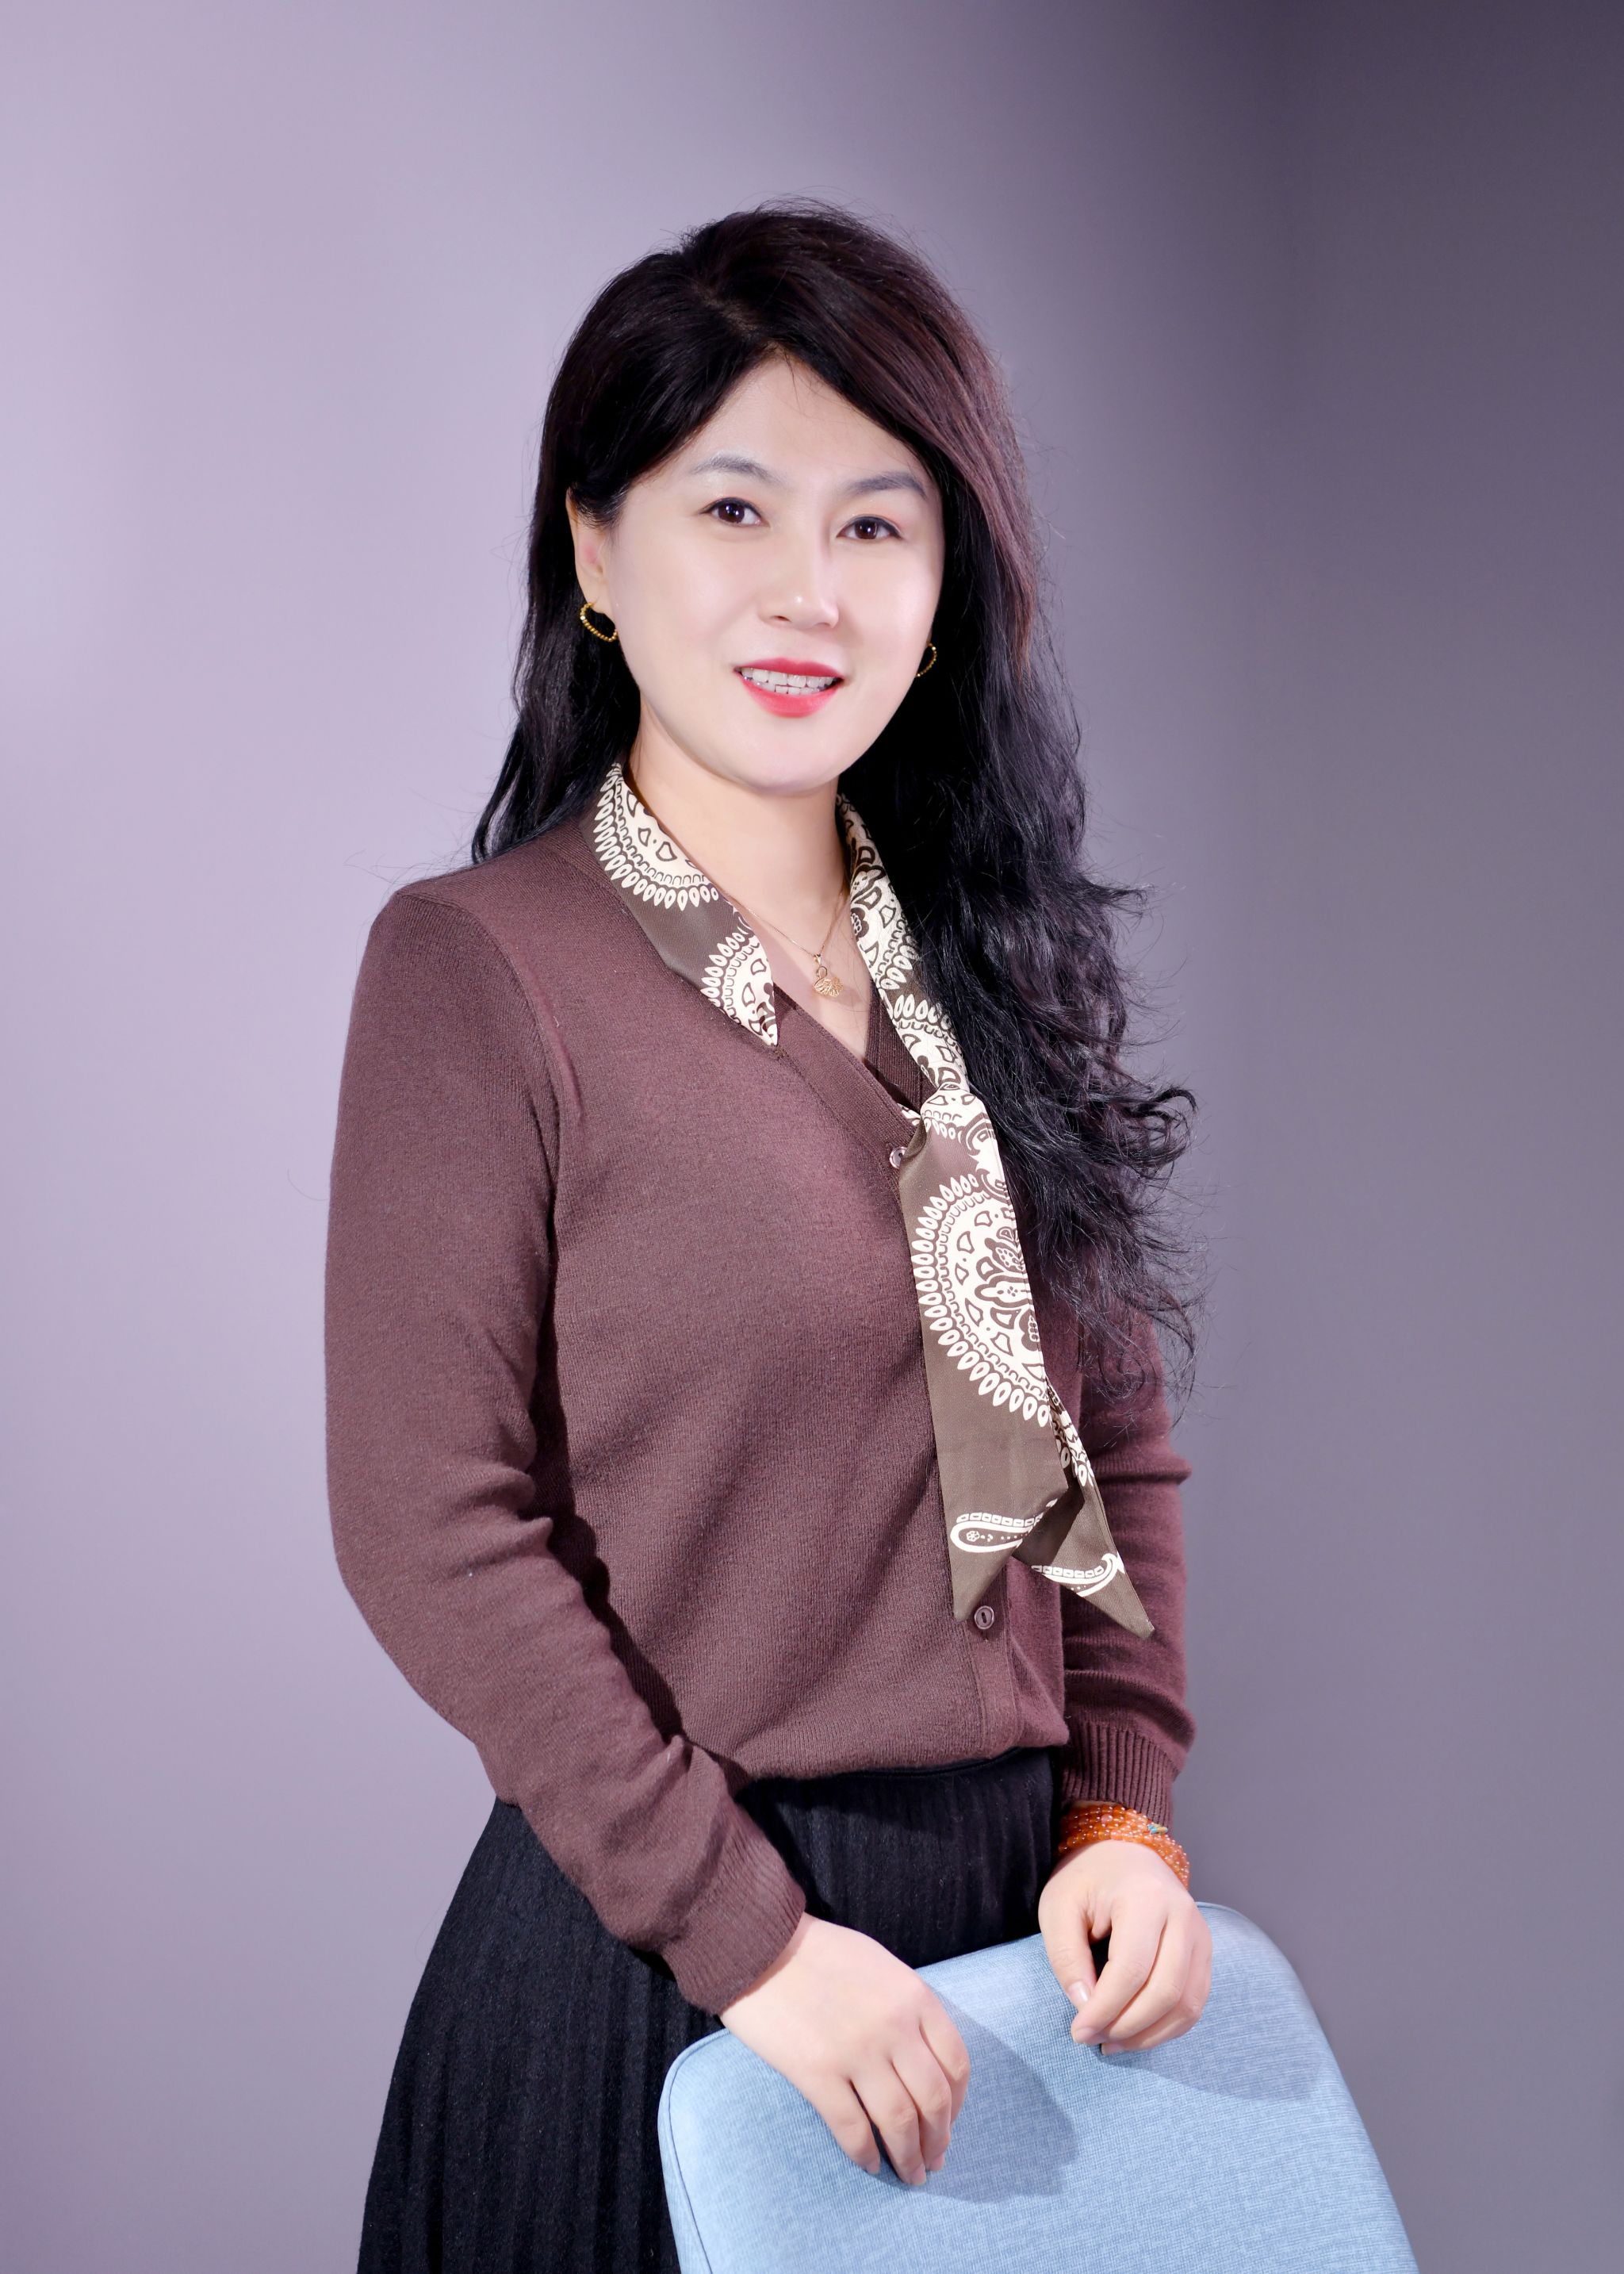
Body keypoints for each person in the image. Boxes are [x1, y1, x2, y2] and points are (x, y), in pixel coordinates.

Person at [324, 197, 1212, 2274]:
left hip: (1013, 1972)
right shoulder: (482, 971)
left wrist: (1125, 1812)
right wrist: (754, 1943)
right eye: (734, 507)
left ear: (948, 577)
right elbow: (430, 1523)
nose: (809, 589)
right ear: (596, 550)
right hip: (678, 1971)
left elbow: (1114, 1451)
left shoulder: (982, 977)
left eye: (876, 524)